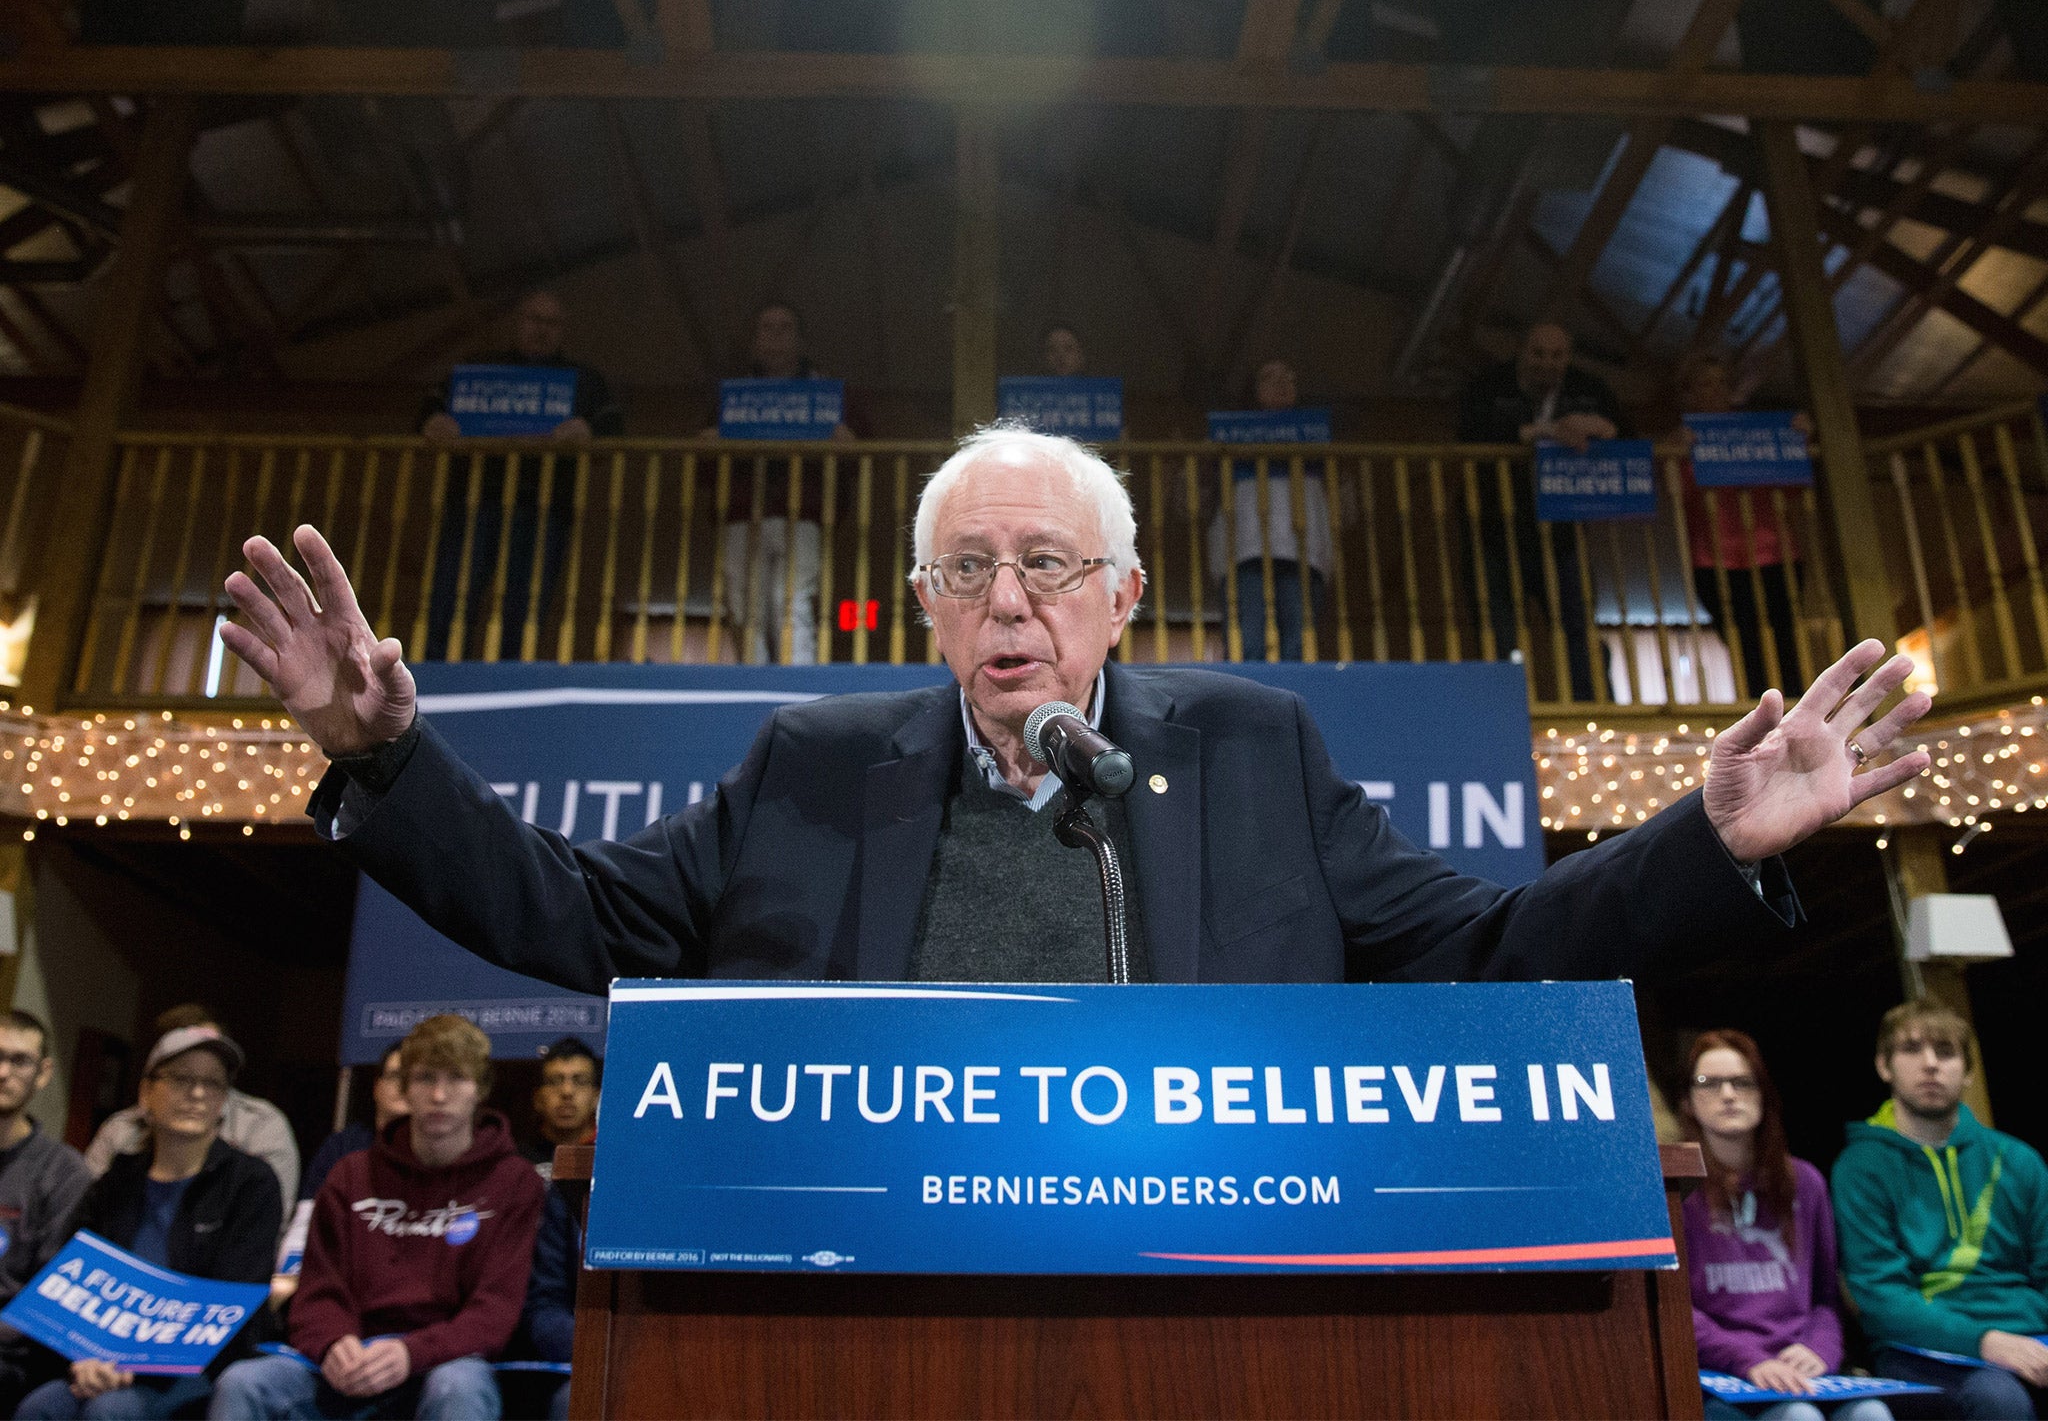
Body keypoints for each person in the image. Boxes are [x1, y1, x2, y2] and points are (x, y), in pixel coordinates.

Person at [222, 424, 1928, 996]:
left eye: (1046, 563)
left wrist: (1706, 839)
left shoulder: (1254, 750)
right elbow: (568, 913)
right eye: (968, 571)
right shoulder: (809, 770)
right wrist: (382, 755)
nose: (1008, 603)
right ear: (922, 609)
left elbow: (1491, 949)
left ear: (1123, 595)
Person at [208, 1015, 544, 1421]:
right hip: (352, 1356)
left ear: (481, 1089)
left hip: (445, 1363)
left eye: (456, 1078)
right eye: (424, 1079)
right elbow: (318, 1290)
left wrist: (410, 1352)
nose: (439, 1095)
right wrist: (333, 1342)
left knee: (459, 1388)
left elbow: (495, 1311)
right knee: (244, 1383)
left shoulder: (514, 1181)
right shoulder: (351, 1174)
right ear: (403, 1089)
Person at [17, 1026, 282, 1420]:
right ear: (146, 1093)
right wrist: (82, 1357)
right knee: (39, 1408)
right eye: (182, 1079)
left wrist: (135, 1364)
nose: (197, 1094)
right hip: (98, 1361)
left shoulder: (250, 1184)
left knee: (110, 1412)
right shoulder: (114, 1183)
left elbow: (232, 1304)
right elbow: (68, 1278)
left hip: (200, 1368)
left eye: (212, 1084)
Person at [1832, 1000, 2048, 1420]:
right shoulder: (1860, 1167)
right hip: (1922, 1348)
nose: (1930, 1064)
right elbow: (1881, 1297)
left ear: (1967, 1072)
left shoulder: (2017, 1159)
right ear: (1884, 1066)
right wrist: (1986, 1341)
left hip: (2031, 1335)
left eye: (1945, 1052)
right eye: (1911, 1050)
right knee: (1999, 1400)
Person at [1679, 1030, 1891, 1421]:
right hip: (1722, 1369)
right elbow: (1677, 1311)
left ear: (1764, 1094)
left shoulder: (1805, 1182)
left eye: (1742, 1082)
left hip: (1798, 1360)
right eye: (1710, 1083)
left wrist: (1820, 1350)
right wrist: (1746, 1359)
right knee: (1797, 1417)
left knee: (1871, 1414)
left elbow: (1826, 1299)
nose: (1728, 1094)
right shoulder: (1676, 1191)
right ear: (1688, 1101)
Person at [418, 290, 623, 662]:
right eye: (534, 320)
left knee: (524, 602)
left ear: (563, 331)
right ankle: (441, 670)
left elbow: (613, 424)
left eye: (551, 323)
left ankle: (509, 674)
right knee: (453, 594)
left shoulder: (584, 380)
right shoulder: (481, 370)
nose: (541, 330)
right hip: (474, 500)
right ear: (518, 323)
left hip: (543, 507)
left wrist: (587, 429)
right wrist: (435, 420)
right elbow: (431, 405)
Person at [1456, 321, 1627, 701]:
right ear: (1522, 352)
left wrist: (1602, 426)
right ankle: (1507, 715)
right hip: (1494, 529)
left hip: (1563, 533)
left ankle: (1596, 711)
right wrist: (1539, 432)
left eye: (1557, 355)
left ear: (1567, 358)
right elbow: (1470, 429)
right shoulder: (1488, 386)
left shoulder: (1589, 389)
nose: (1547, 363)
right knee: (1501, 633)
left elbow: (1626, 430)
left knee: (1578, 629)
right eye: (1538, 353)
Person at [717, 301, 859, 666]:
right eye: (767, 328)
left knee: (793, 599)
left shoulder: (825, 392)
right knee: (743, 601)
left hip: (803, 510)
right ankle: (754, 678)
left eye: (785, 329)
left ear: (800, 340)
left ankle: (798, 679)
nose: (776, 337)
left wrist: (848, 441)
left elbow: (858, 446)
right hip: (743, 510)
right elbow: (707, 448)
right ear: (754, 339)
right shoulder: (736, 394)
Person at [1669, 355, 1810, 698]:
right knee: (1744, 643)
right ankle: (1762, 712)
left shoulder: (1759, 433)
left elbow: (1792, 486)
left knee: (1785, 638)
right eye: (1704, 384)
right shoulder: (1683, 440)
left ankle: (1794, 710)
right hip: (1715, 559)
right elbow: (1678, 495)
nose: (1714, 391)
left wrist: (1797, 440)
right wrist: (1676, 453)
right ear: (1689, 394)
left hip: (1774, 550)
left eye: (1720, 384)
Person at [85, 1006, 299, 1211]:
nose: (198, 1093)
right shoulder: (121, 1143)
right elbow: (89, 1222)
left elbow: (267, 1224)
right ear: (148, 1088)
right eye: (182, 1077)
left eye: (212, 1078)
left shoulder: (261, 1127)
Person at [1207, 358, 1333, 662]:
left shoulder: (1317, 438)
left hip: (1303, 552)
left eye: (1289, 376)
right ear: (1253, 388)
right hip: (1245, 551)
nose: (1282, 382)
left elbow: (1347, 507)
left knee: (1300, 645)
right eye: (1270, 377)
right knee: (1247, 644)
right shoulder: (1229, 439)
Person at [0, 1010, 93, 1413]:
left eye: (19, 1061)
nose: (2, 1072)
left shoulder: (64, 1173)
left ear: (43, 1073)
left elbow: (49, 1299)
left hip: (14, 1356)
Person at [272, 1044, 410, 1305]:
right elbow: (306, 1226)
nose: (404, 1087)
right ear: (376, 1087)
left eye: (415, 1079)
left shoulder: (441, 1155)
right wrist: (291, 1280)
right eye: (394, 1076)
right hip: (334, 1287)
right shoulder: (343, 1147)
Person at [516, 1188, 578, 1421]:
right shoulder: (567, 1193)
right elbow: (544, 1306)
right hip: (581, 1359)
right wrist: (596, 1348)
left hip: (683, 1351)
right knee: (575, 1399)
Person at [522, 1037, 598, 1179]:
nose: (567, 1092)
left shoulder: (610, 1158)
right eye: (555, 1081)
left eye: (580, 1081)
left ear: (596, 1097)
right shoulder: (518, 1163)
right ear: (538, 1098)